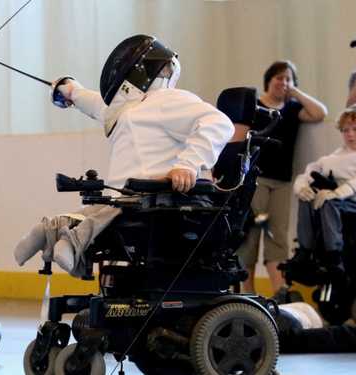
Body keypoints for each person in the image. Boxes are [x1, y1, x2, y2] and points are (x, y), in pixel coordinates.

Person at [15, 35, 234, 274]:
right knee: (96, 211)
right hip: (128, 198)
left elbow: (218, 122)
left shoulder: (169, 99)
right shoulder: (128, 110)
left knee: (110, 213)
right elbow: (98, 105)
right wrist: (71, 90)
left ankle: (73, 243)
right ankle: (51, 230)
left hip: (157, 202)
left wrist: (188, 165)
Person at [236, 61, 328, 297]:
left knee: (277, 235)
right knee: (252, 234)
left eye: (288, 79)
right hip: (255, 179)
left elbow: (320, 113)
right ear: (269, 79)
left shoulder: (293, 109)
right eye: (279, 77)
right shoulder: (255, 105)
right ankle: (249, 293)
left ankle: (280, 292)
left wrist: (294, 91)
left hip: (282, 181)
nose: (283, 82)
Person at [292, 104, 356, 274]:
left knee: (330, 202)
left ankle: (333, 254)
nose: (349, 134)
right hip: (333, 199)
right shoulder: (333, 156)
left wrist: (338, 193)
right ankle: (305, 251)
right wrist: (301, 187)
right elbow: (308, 173)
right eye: (345, 130)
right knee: (306, 198)